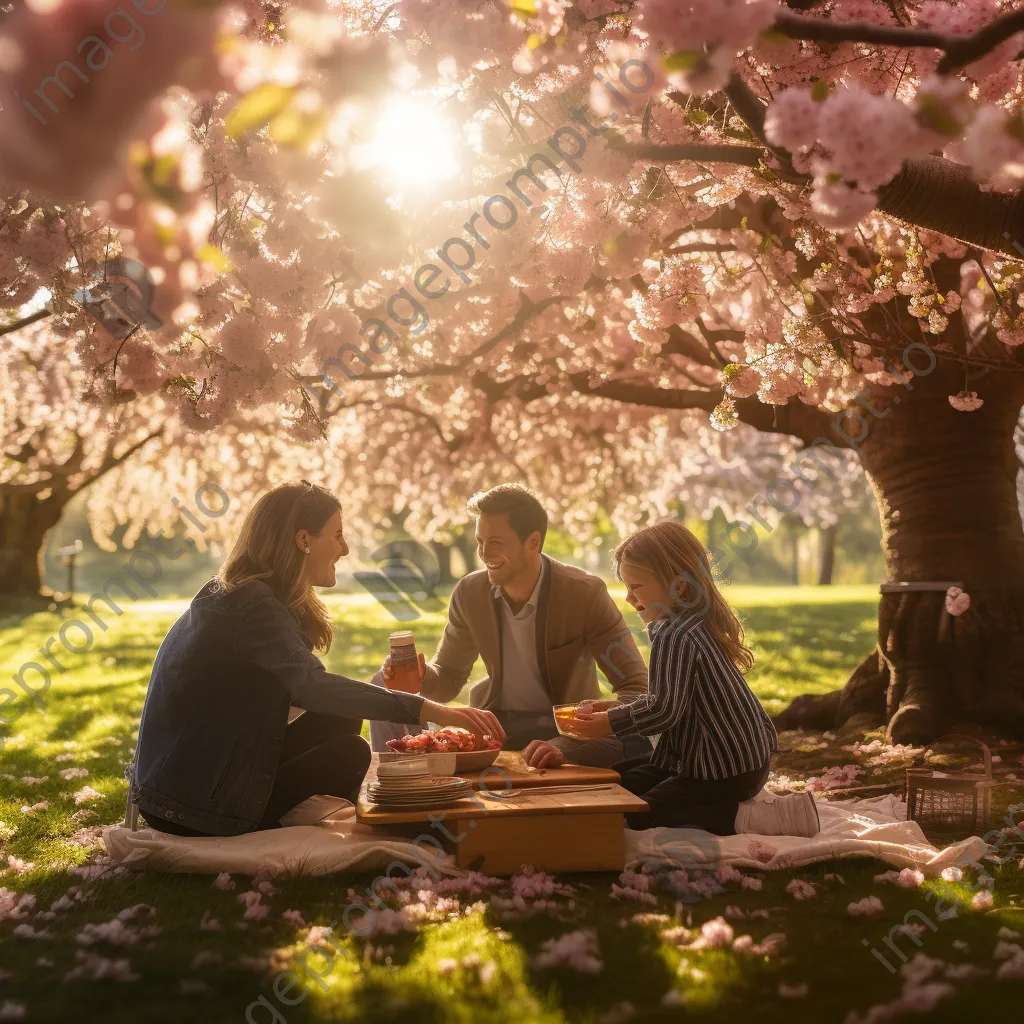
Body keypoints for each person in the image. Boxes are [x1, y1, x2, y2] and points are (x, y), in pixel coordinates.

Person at [128, 481, 504, 837]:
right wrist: (433, 710)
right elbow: (312, 687)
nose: (345, 549)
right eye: (337, 535)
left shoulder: (241, 594)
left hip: (185, 787)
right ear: (303, 540)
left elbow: (299, 693)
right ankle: (288, 821)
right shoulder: (253, 606)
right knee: (350, 753)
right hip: (194, 807)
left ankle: (300, 810)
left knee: (339, 715)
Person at [557, 520, 819, 837]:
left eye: (636, 587)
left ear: (678, 586)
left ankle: (752, 816)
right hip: (728, 760)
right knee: (617, 781)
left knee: (641, 814)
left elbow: (664, 711)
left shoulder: (674, 635)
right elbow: (670, 699)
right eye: (626, 587)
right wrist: (613, 708)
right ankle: (727, 803)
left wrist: (610, 723)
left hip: (724, 770)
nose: (628, 598)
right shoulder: (688, 624)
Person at [369, 484, 651, 768]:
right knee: (380, 685)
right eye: (480, 541)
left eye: (495, 542)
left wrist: (579, 736)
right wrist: (421, 676)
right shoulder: (470, 592)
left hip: (568, 732)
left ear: (533, 542)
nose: (483, 552)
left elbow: (636, 686)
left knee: (632, 742)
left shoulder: (584, 593)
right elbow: (448, 678)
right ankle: (395, 786)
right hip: (496, 727)